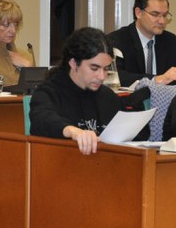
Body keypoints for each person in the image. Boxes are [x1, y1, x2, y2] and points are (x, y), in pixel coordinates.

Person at [29, 27, 123, 155]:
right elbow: (42, 119)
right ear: (73, 63)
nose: (102, 77)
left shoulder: (107, 96)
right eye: (94, 68)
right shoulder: (48, 92)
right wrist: (72, 131)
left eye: (106, 69)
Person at [108, 0, 176, 86]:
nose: (162, 21)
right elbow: (116, 77)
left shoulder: (169, 40)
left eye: (165, 15)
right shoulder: (117, 40)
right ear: (138, 13)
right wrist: (156, 79)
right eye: (155, 14)